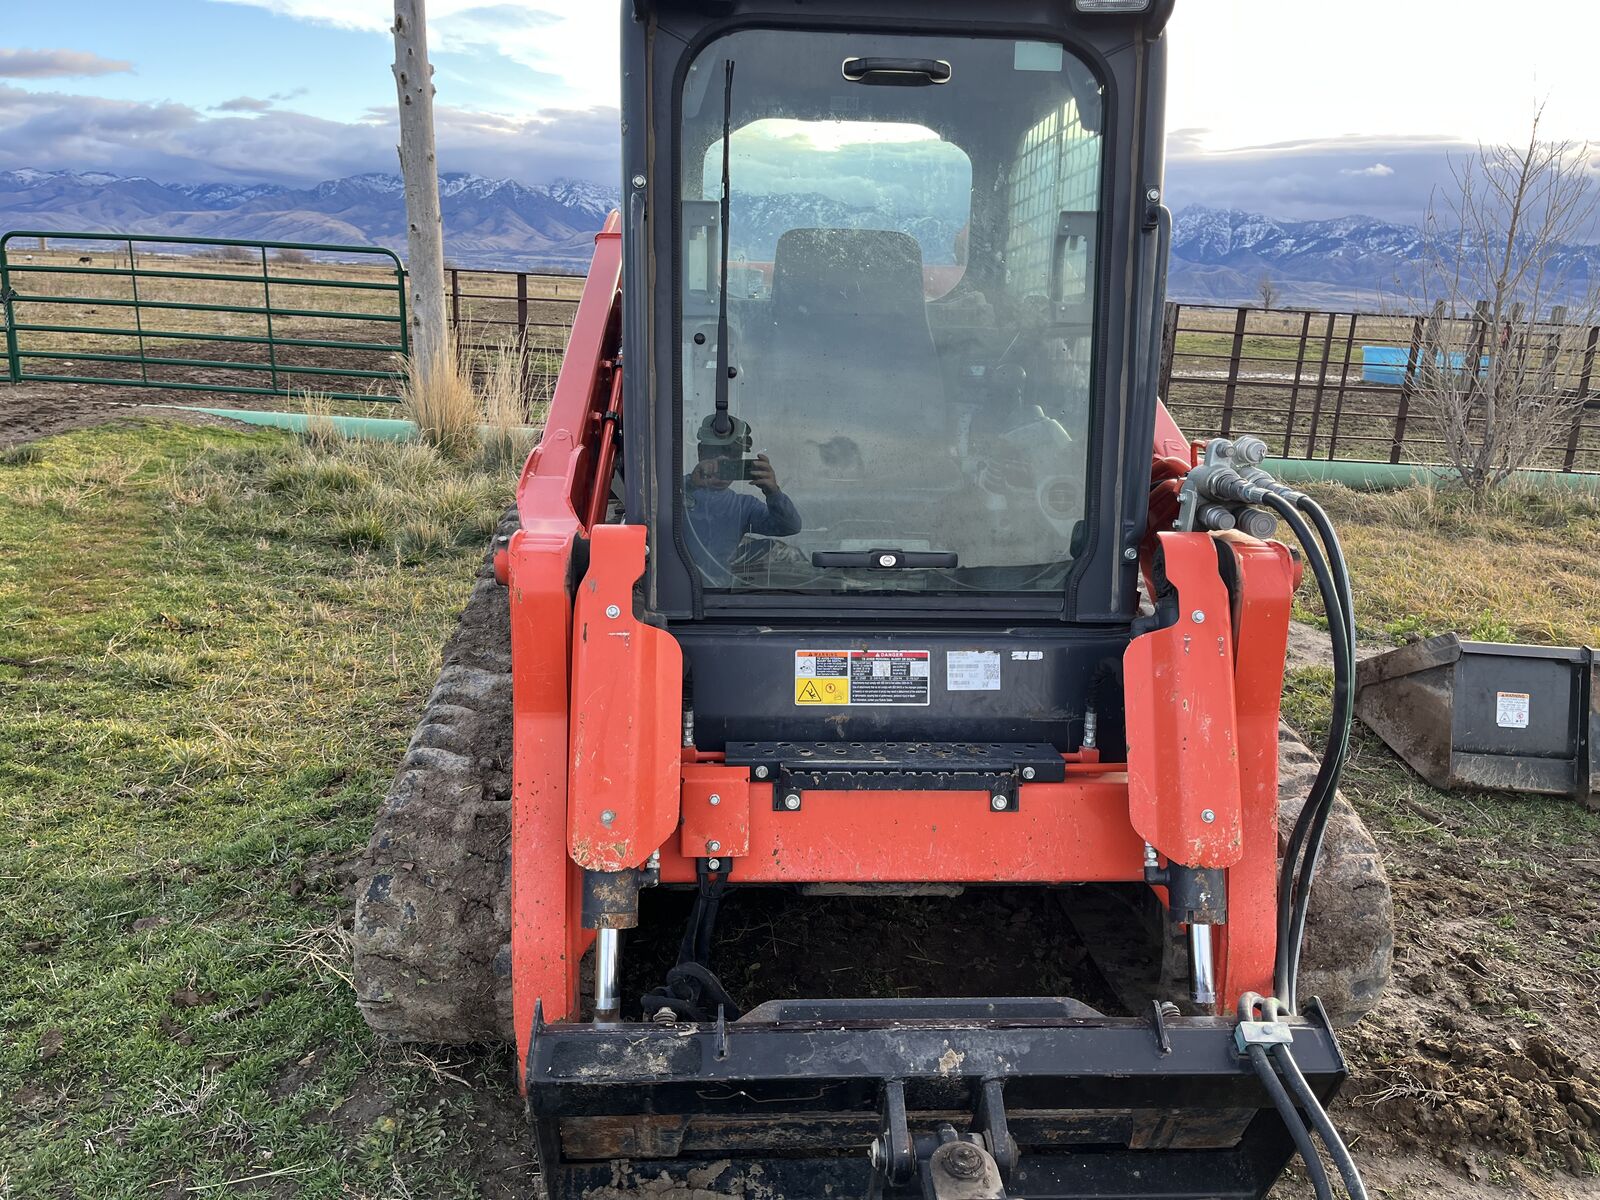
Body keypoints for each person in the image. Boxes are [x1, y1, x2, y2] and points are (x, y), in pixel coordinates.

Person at [684, 444, 802, 586]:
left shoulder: (744, 506)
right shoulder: (674, 490)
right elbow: (656, 509)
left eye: (732, 460)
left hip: (717, 595)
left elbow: (789, 527)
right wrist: (691, 483)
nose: (723, 467)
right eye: (716, 457)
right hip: (672, 592)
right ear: (701, 456)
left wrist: (773, 492)